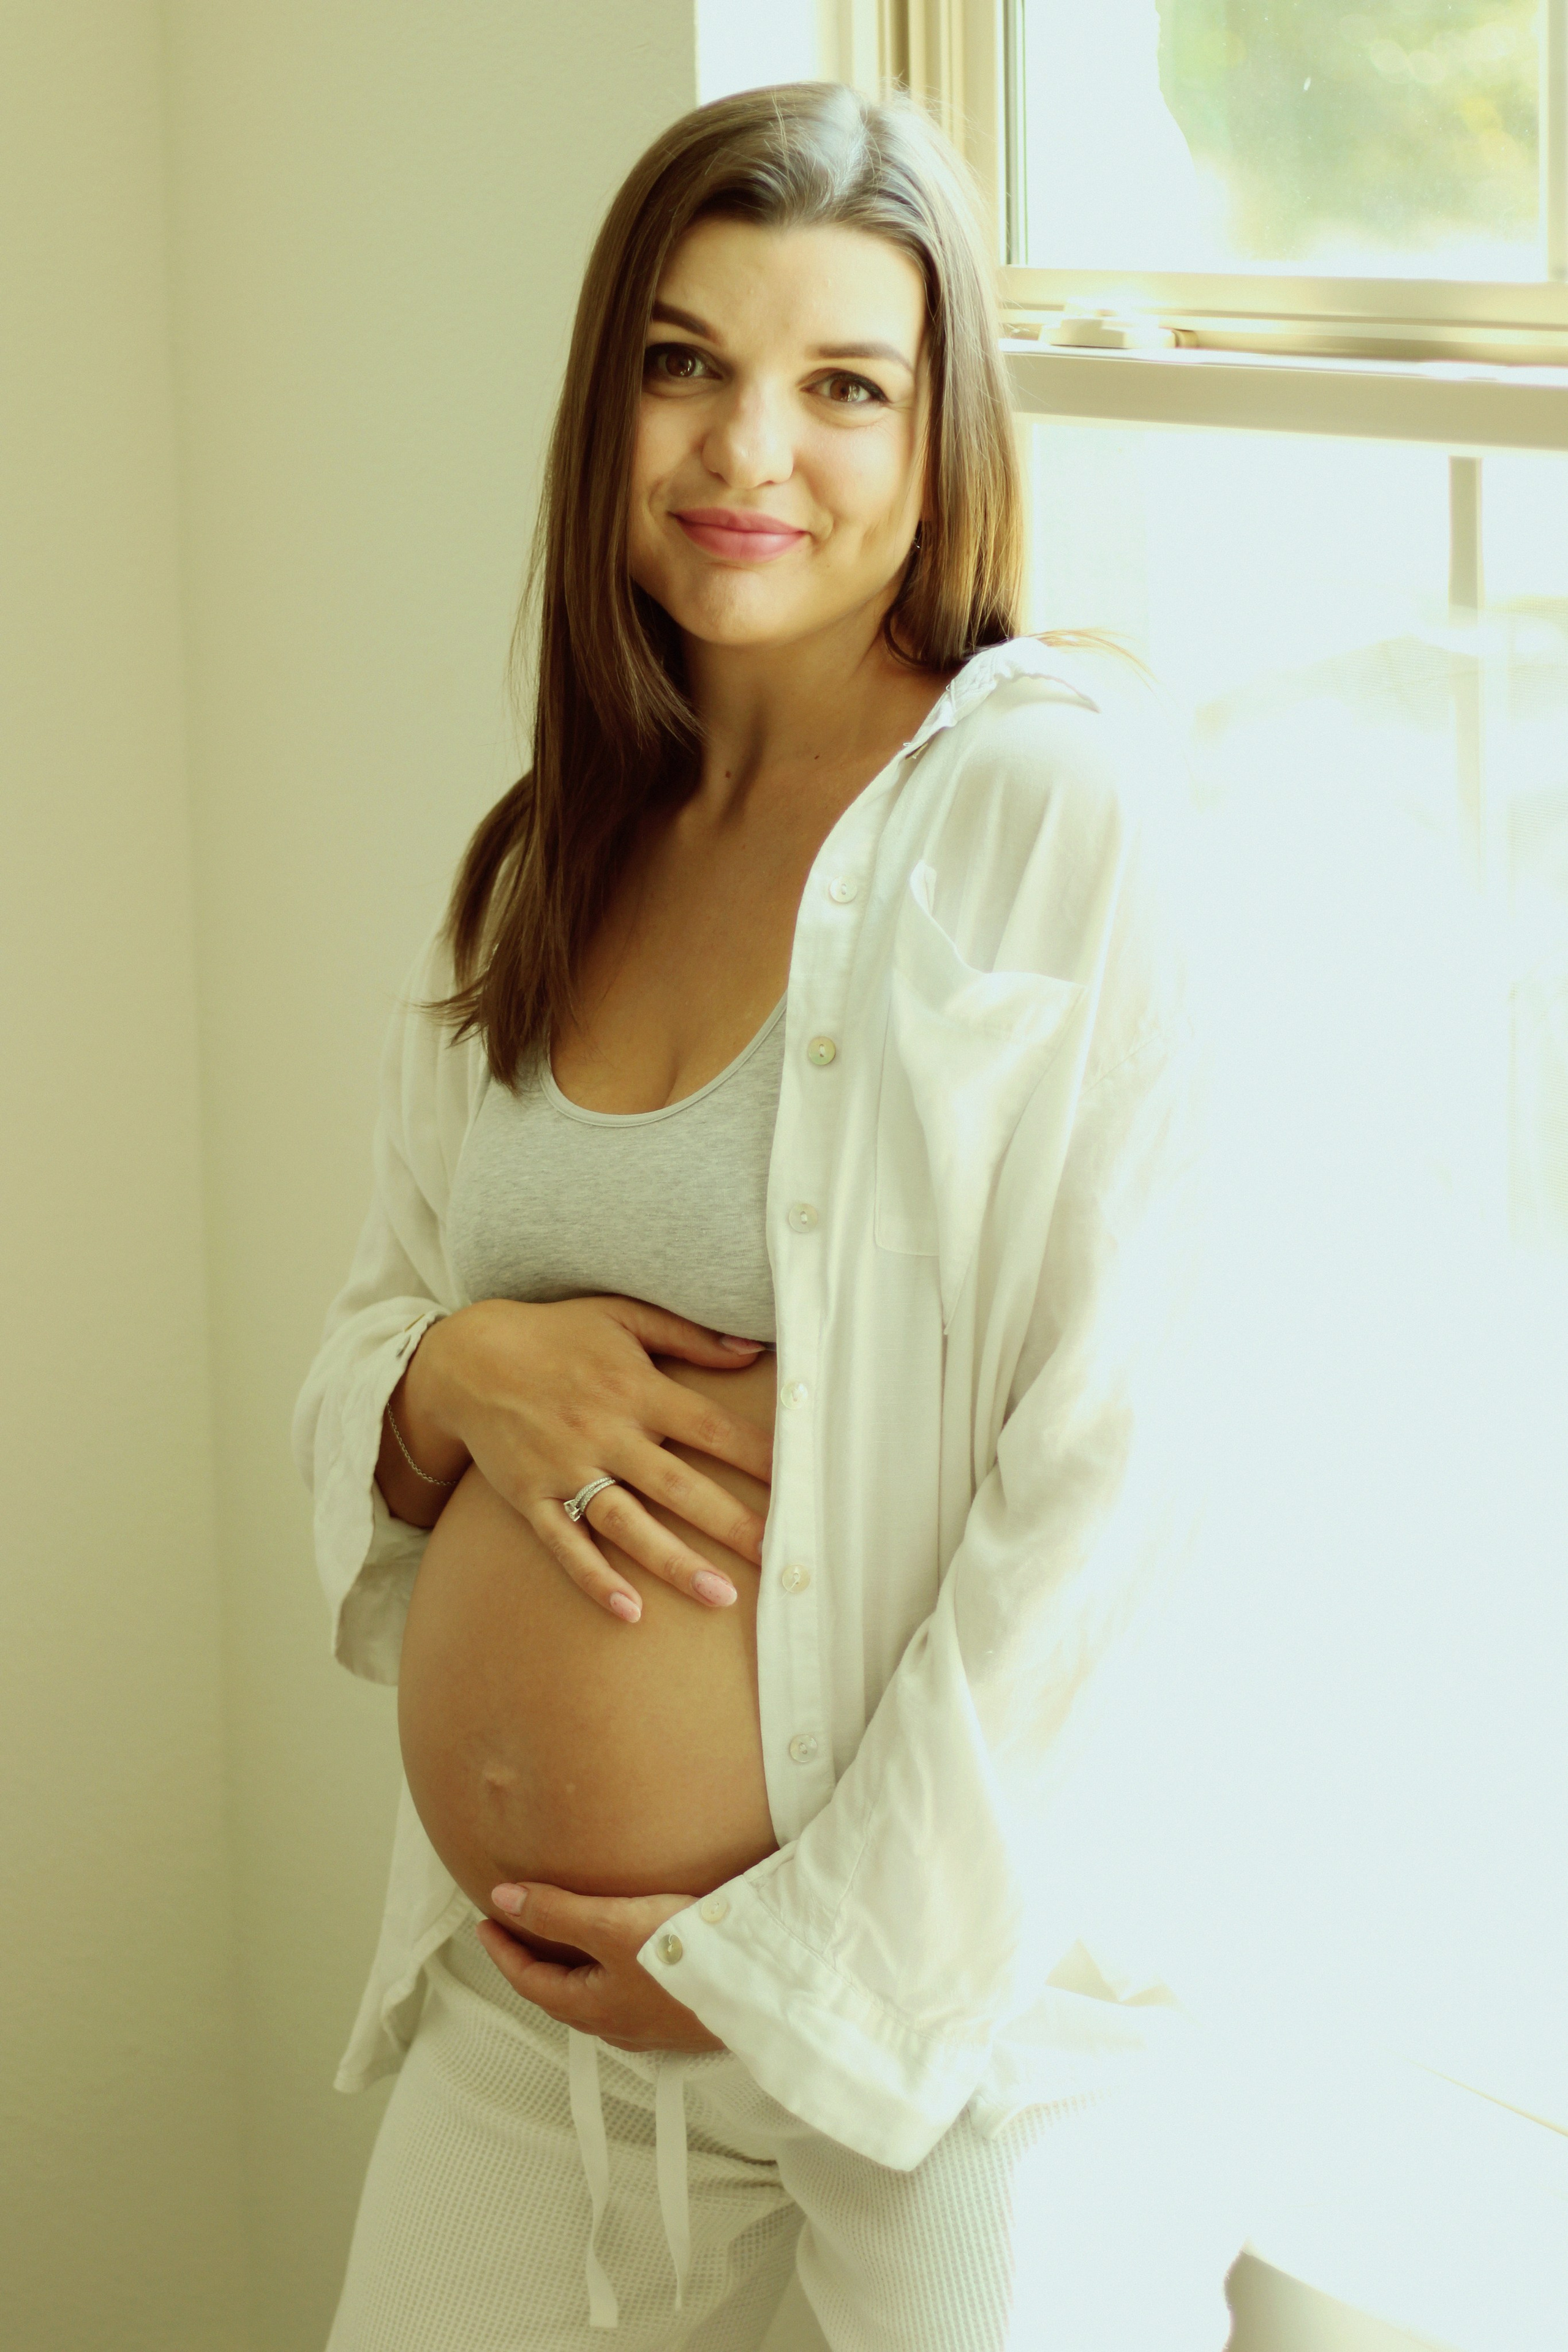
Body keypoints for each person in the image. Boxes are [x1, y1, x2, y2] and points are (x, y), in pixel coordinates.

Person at [294, 80, 1246, 2352]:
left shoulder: (1056, 814)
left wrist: (793, 1970)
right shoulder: (550, 855)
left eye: (845, 388)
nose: (750, 454)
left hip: (941, 2046)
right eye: (685, 365)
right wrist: (447, 1377)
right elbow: (373, 1332)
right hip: (527, 2031)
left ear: (942, 442)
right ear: (606, 397)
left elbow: (1120, 1474)